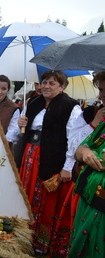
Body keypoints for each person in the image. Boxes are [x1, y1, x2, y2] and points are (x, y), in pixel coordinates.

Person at [16, 70, 81, 256]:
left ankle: (41, 243)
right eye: (44, 82)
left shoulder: (70, 107)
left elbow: (74, 139)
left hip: (52, 160)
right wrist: (22, 121)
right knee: (26, 196)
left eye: (52, 83)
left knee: (46, 200)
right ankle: (23, 235)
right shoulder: (33, 103)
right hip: (30, 157)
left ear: (62, 87)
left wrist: (67, 167)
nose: (46, 86)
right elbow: (22, 132)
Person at [70, 87, 105, 256]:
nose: (101, 95)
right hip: (89, 201)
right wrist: (84, 152)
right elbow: (79, 147)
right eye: (101, 89)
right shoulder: (102, 122)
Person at [0, 74, 20, 145]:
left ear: (8, 90)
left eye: (3, 89)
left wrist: (1, 143)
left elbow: (13, 131)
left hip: (3, 148)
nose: (0, 92)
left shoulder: (13, 108)